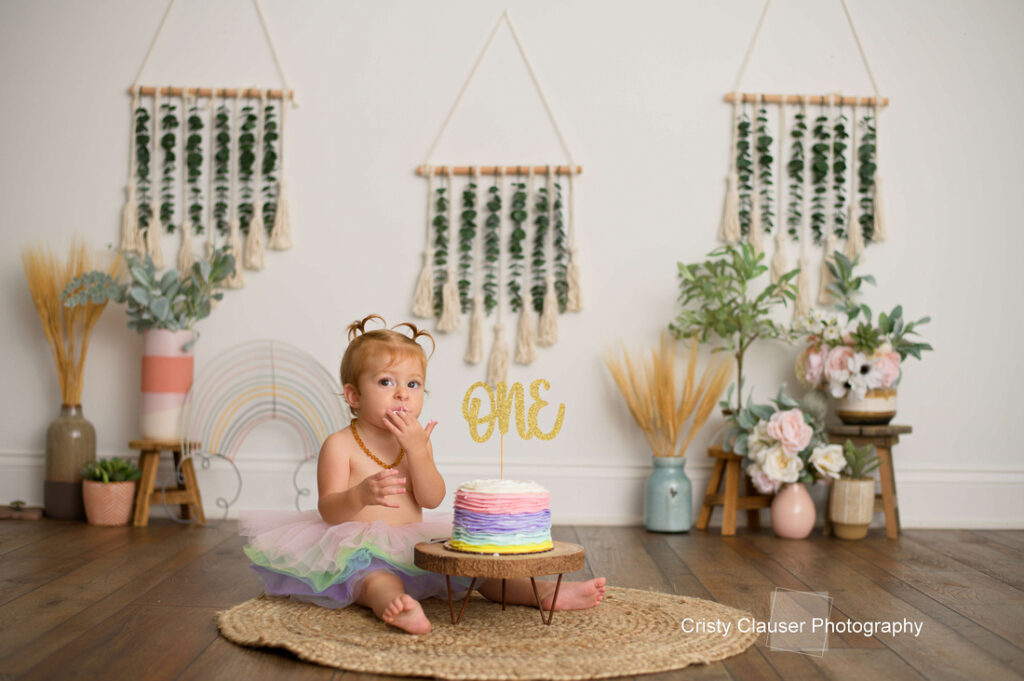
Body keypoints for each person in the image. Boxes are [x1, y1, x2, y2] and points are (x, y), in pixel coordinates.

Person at [241, 314, 606, 634]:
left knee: (478, 571)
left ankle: (541, 592)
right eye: (386, 382)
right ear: (353, 396)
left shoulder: (417, 442)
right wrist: (360, 495)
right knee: (374, 580)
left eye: (412, 385)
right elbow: (329, 510)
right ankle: (397, 606)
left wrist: (418, 452)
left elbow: (431, 499)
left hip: (413, 544)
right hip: (358, 549)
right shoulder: (340, 445)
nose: (402, 395)